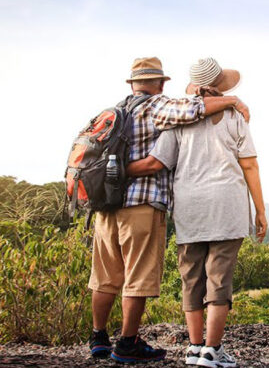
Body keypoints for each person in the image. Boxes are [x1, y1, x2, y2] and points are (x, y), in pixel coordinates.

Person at [87, 56, 251, 364]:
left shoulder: (116, 110)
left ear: (132, 83)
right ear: (161, 83)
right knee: (137, 276)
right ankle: (127, 343)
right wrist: (234, 101)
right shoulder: (157, 107)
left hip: (106, 204)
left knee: (105, 276)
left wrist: (110, 174)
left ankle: (98, 338)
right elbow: (193, 111)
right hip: (140, 204)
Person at [127, 57, 268, 368]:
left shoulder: (179, 120)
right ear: (222, 86)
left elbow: (158, 162)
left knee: (191, 278)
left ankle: (193, 349)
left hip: (189, 206)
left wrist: (114, 173)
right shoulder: (235, 116)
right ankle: (213, 351)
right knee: (219, 278)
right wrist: (260, 210)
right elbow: (249, 165)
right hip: (227, 204)